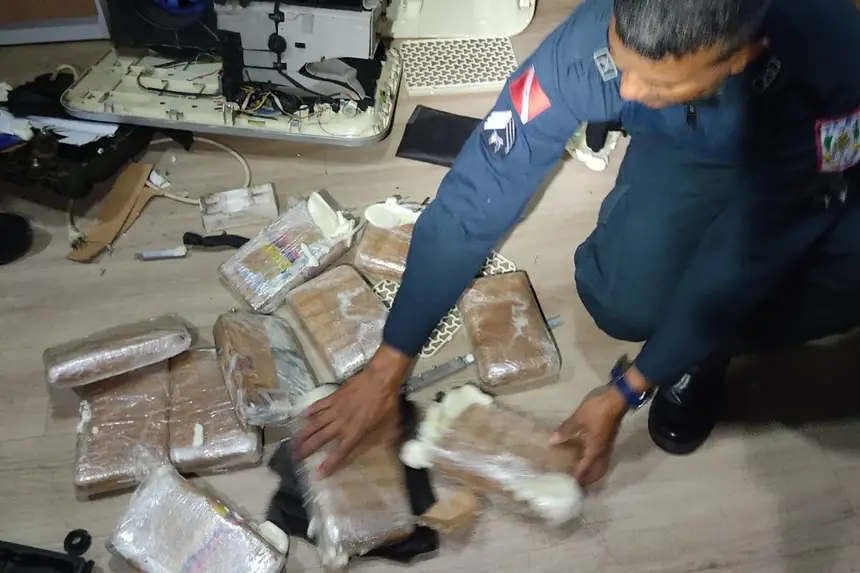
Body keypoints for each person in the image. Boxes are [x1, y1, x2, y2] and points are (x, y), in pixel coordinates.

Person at [295, 0, 860, 485]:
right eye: (622, 61)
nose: (627, 91)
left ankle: (705, 356)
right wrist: (388, 365)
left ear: (743, 54)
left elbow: (742, 261)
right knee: (624, 301)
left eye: (659, 82)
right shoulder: (585, 47)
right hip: (686, 143)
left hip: (807, 161)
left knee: (829, 282)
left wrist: (629, 387)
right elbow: (475, 196)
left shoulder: (833, 66)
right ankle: (688, 340)